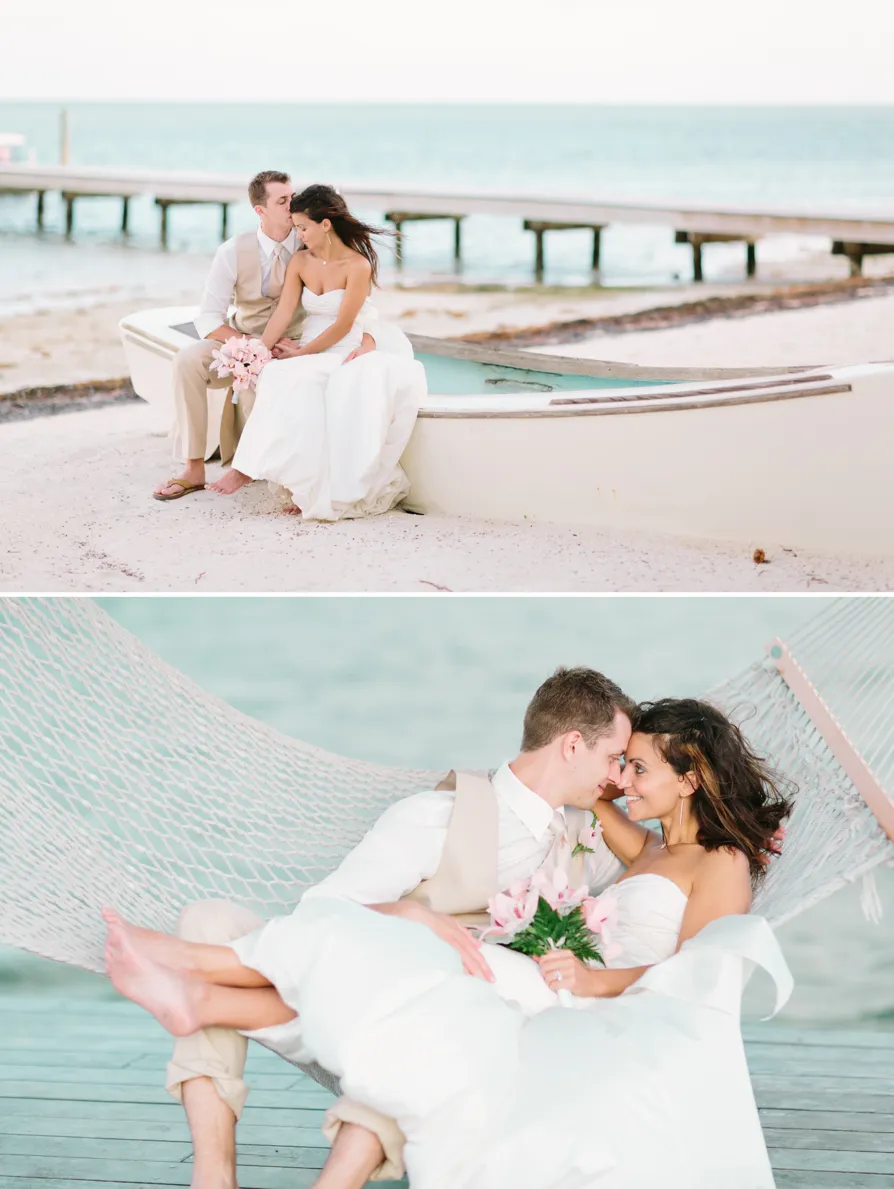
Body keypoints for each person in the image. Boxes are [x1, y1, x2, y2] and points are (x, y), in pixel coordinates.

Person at [104, 667, 635, 1189]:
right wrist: (408, 914)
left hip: (447, 1052)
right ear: (572, 745)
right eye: (613, 758)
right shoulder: (438, 815)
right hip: (347, 1005)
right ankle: (214, 1177)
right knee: (207, 920)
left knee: (436, 1022)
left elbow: (662, 862)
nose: (617, 777)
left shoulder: (588, 835)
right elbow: (320, 914)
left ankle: (204, 992)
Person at [152, 170, 378, 502]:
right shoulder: (233, 251)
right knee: (187, 361)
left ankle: (261, 466)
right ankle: (193, 468)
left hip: (297, 342)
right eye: (283, 201)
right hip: (243, 337)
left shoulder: (311, 237)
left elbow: (356, 308)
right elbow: (208, 317)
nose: (292, 206)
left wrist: (368, 339)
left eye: (293, 197)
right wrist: (250, 349)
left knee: (282, 379)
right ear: (260, 210)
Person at [223, 185, 427, 521]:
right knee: (276, 373)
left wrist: (303, 353)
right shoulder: (301, 261)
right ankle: (291, 482)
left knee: (302, 378)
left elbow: (344, 325)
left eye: (303, 228)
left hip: (341, 349)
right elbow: (284, 313)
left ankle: (272, 477)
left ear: (326, 225)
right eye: (296, 228)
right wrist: (258, 352)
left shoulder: (356, 265)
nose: (299, 235)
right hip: (310, 347)